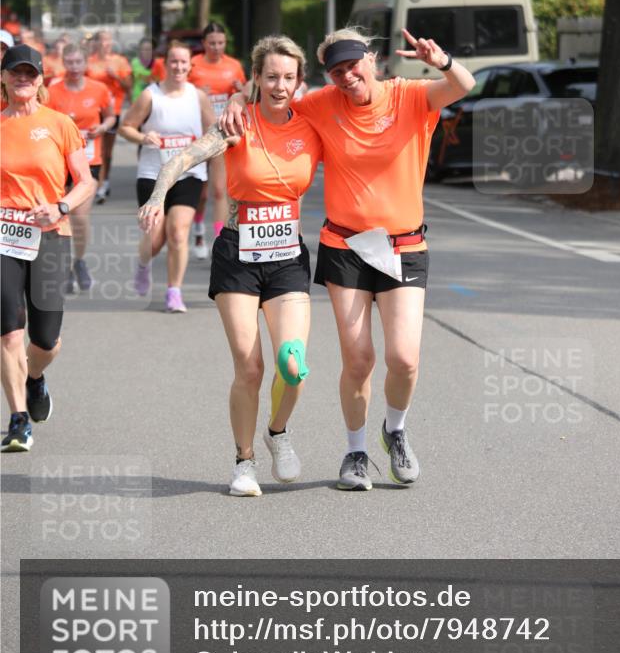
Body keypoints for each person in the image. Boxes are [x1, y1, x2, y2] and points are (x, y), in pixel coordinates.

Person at [223, 27, 475, 490]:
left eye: (352, 65)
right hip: (347, 247)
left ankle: (393, 431)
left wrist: (440, 60)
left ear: (371, 59)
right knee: (358, 360)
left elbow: (464, 86)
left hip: (404, 246)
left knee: (404, 358)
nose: (346, 75)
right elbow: (274, 95)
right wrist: (238, 98)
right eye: (336, 70)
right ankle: (355, 451)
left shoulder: (411, 97)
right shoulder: (321, 103)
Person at [139, 36, 321, 497]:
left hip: (285, 259)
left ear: (300, 81)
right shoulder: (236, 124)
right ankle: (244, 461)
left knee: (293, 364)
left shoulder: (314, 124)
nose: (280, 86)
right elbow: (180, 160)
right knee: (250, 368)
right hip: (238, 255)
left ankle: (277, 432)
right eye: (271, 77)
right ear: (256, 79)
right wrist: (158, 197)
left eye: (288, 77)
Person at [0, 45, 95, 452]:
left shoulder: (59, 124)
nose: (23, 79)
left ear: (40, 80)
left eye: (30, 73)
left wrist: (59, 205)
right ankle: (18, 420)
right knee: (8, 334)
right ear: (3, 77)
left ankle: (34, 377)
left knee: (46, 341)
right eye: (15, 72)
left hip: (50, 235)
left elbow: (85, 182)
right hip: (4, 235)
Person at [119, 44, 215, 313]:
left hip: (189, 174)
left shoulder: (198, 97)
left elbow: (214, 132)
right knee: (156, 237)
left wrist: (203, 150)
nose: (179, 67)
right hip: (153, 174)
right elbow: (125, 127)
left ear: (190, 66)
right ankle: (142, 265)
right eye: (174, 62)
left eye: (184, 63)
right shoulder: (151, 96)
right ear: (166, 64)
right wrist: (143, 137)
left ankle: (174, 291)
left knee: (178, 231)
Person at [47, 45, 116, 292]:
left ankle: (79, 261)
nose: (75, 67)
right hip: (59, 162)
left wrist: (102, 127)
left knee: (79, 215)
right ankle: (64, 267)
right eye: (70, 62)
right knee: (60, 216)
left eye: (79, 62)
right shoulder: (52, 92)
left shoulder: (99, 89)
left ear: (86, 63)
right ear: (63, 63)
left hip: (90, 160)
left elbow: (110, 116)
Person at [188, 22, 247, 259]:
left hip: (223, 133)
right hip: (198, 134)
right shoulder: (193, 66)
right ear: (203, 44)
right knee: (201, 193)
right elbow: (180, 95)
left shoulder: (234, 66)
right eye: (211, 43)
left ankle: (219, 239)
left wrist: (240, 88)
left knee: (221, 191)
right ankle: (199, 230)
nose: (216, 47)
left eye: (220, 43)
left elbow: (245, 95)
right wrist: (196, 92)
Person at [85, 30, 132, 203]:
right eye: (102, 41)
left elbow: (129, 87)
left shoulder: (120, 61)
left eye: (108, 41)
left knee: (107, 152)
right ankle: (96, 185)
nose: (105, 44)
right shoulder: (89, 63)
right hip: (94, 110)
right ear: (96, 43)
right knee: (96, 149)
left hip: (114, 111)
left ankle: (104, 181)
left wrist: (116, 77)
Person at [130, 37, 165, 102]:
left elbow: (164, 82)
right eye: (143, 49)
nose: (146, 52)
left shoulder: (160, 63)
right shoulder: (134, 62)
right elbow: (131, 82)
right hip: (137, 99)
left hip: (155, 99)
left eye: (149, 49)